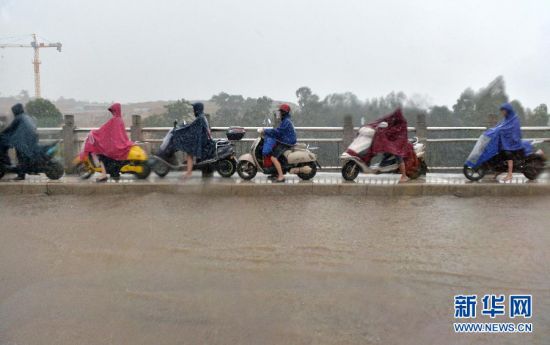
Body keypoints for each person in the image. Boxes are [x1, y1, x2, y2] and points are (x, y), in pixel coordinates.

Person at [81, 103, 134, 182]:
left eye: (113, 111)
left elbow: (103, 129)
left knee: (101, 155)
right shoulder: (120, 120)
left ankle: (103, 174)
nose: (112, 113)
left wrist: (94, 133)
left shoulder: (114, 120)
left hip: (115, 146)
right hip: (121, 145)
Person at [171, 102, 213, 180]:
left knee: (189, 153)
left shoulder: (200, 118)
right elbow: (193, 127)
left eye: (194, 109)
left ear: (197, 110)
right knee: (189, 151)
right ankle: (189, 172)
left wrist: (179, 130)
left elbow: (191, 128)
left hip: (202, 142)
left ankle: (189, 173)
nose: (193, 111)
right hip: (204, 140)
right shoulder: (202, 117)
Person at [0, 103, 42, 180]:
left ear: (16, 111)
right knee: (23, 157)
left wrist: (2, 133)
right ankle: (22, 172)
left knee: (21, 157)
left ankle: (21, 175)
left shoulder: (19, 118)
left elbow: (10, 128)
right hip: (31, 139)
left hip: (23, 140)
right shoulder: (26, 117)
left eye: (14, 111)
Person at [368, 109, 410, 183]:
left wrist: (385, 131)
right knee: (386, 152)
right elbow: (384, 119)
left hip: (399, 142)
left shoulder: (401, 122)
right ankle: (382, 167)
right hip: (393, 141)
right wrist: (373, 124)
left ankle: (404, 176)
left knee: (398, 156)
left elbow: (395, 131)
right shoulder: (393, 118)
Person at [260, 103, 297, 183]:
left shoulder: (286, 121)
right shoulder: (285, 120)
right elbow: (278, 131)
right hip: (285, 140)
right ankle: (276, 173)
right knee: (274, 152)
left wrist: (265, 131)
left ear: (284, 112)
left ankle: (281, 176)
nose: (279, 113)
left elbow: (278, 132)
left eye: (280, 112)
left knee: (273, 157)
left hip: (287, 142)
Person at [495, 102, 523, 182]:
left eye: (504, 111)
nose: (502, 112)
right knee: (498, 153)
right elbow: (500, 126)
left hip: (513, 143)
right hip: (506, 141)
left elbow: (515, 131)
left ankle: (510, 174)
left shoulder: (514, 119)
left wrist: (511, 138)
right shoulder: (505, 119)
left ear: (508, 110)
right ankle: (497, 171)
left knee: (507, 153)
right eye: (502, 111)